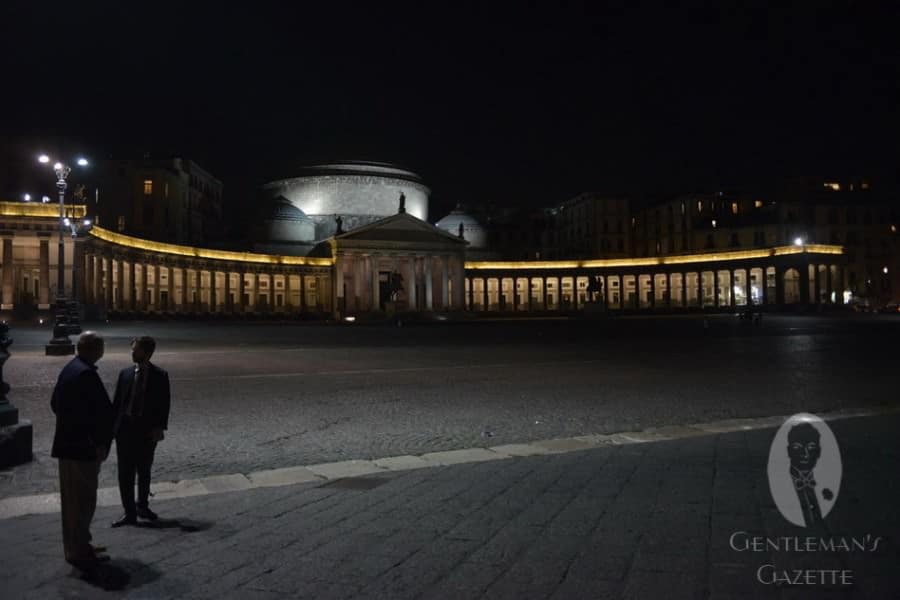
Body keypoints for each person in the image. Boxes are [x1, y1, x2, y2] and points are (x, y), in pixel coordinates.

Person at [50, 331, 114, 572]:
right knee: (83, 501)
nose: (103, 350)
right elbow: (97, 415)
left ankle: (77, 545)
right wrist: (96, 442)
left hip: (67, 445)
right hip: (82, 449)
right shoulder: (86, 374)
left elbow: (55, 403)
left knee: (72, 502)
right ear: (94, 349)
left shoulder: (70, 368)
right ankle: (79, 551)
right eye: (102, 346)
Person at [111, 336, 170, 527]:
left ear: (147, 352)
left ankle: (142, 506)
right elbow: (118, 403)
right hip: (125, 430)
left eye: (135, 350)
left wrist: (159, 428)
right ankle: (129, 512)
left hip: (146, 431)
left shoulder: (160, 376)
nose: (132, 353)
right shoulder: (125, 374)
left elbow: (164, 405)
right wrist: (114, 429)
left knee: (144, 471)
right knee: (125, 473)